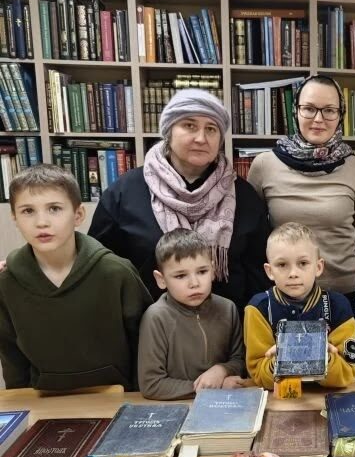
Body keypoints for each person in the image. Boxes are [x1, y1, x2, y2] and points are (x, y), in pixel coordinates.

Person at [89, 89, 269, 314]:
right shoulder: (124, 193)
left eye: (211, 129)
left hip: (228, 328)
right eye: (189, 125)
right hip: (147, 328)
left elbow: (260, 274)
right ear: (168, 132)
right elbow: (101, 271)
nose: (201, 138)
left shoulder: (244, 196)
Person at [0, 164, 151, 391]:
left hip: (116, 395)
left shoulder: (117, 273)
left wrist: (139, 395)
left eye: (54, 208)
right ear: (14, 218)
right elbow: (10, 353)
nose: (41, 222)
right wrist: (20, 399)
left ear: (78, 215)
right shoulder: (7, 283)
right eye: (28, 211)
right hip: (43, 398)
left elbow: (144, 342)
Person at [247, 75, 355, 304]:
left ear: (340, 115)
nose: (318, 119)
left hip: (346, 296)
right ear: (295, 111)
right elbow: (254, 241)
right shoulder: (264, 165)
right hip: (285, 297)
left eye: (329, 110)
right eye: (309, 109)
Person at [244, 222, 355, 388]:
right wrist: (305, 352)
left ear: (318, 267)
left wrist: (307, 354)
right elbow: (259, 376)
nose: (293, 273)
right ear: (269, 271)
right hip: (279, 399)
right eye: (282, 265)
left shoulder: (338, 306)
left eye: (303, 263)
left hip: (326, 396)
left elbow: (347, 374)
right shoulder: (257, 309)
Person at [138, 228, 246, 400]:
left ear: (213, 269)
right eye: (181, 276)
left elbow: (239, 360)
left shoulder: (228, 308)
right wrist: (211, 388)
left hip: (224, 405)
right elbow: (151, 384)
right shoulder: (156, 317)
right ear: (161, 279)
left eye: (202, 272)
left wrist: (222, 370)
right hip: (175, 407)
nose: (194, 283)